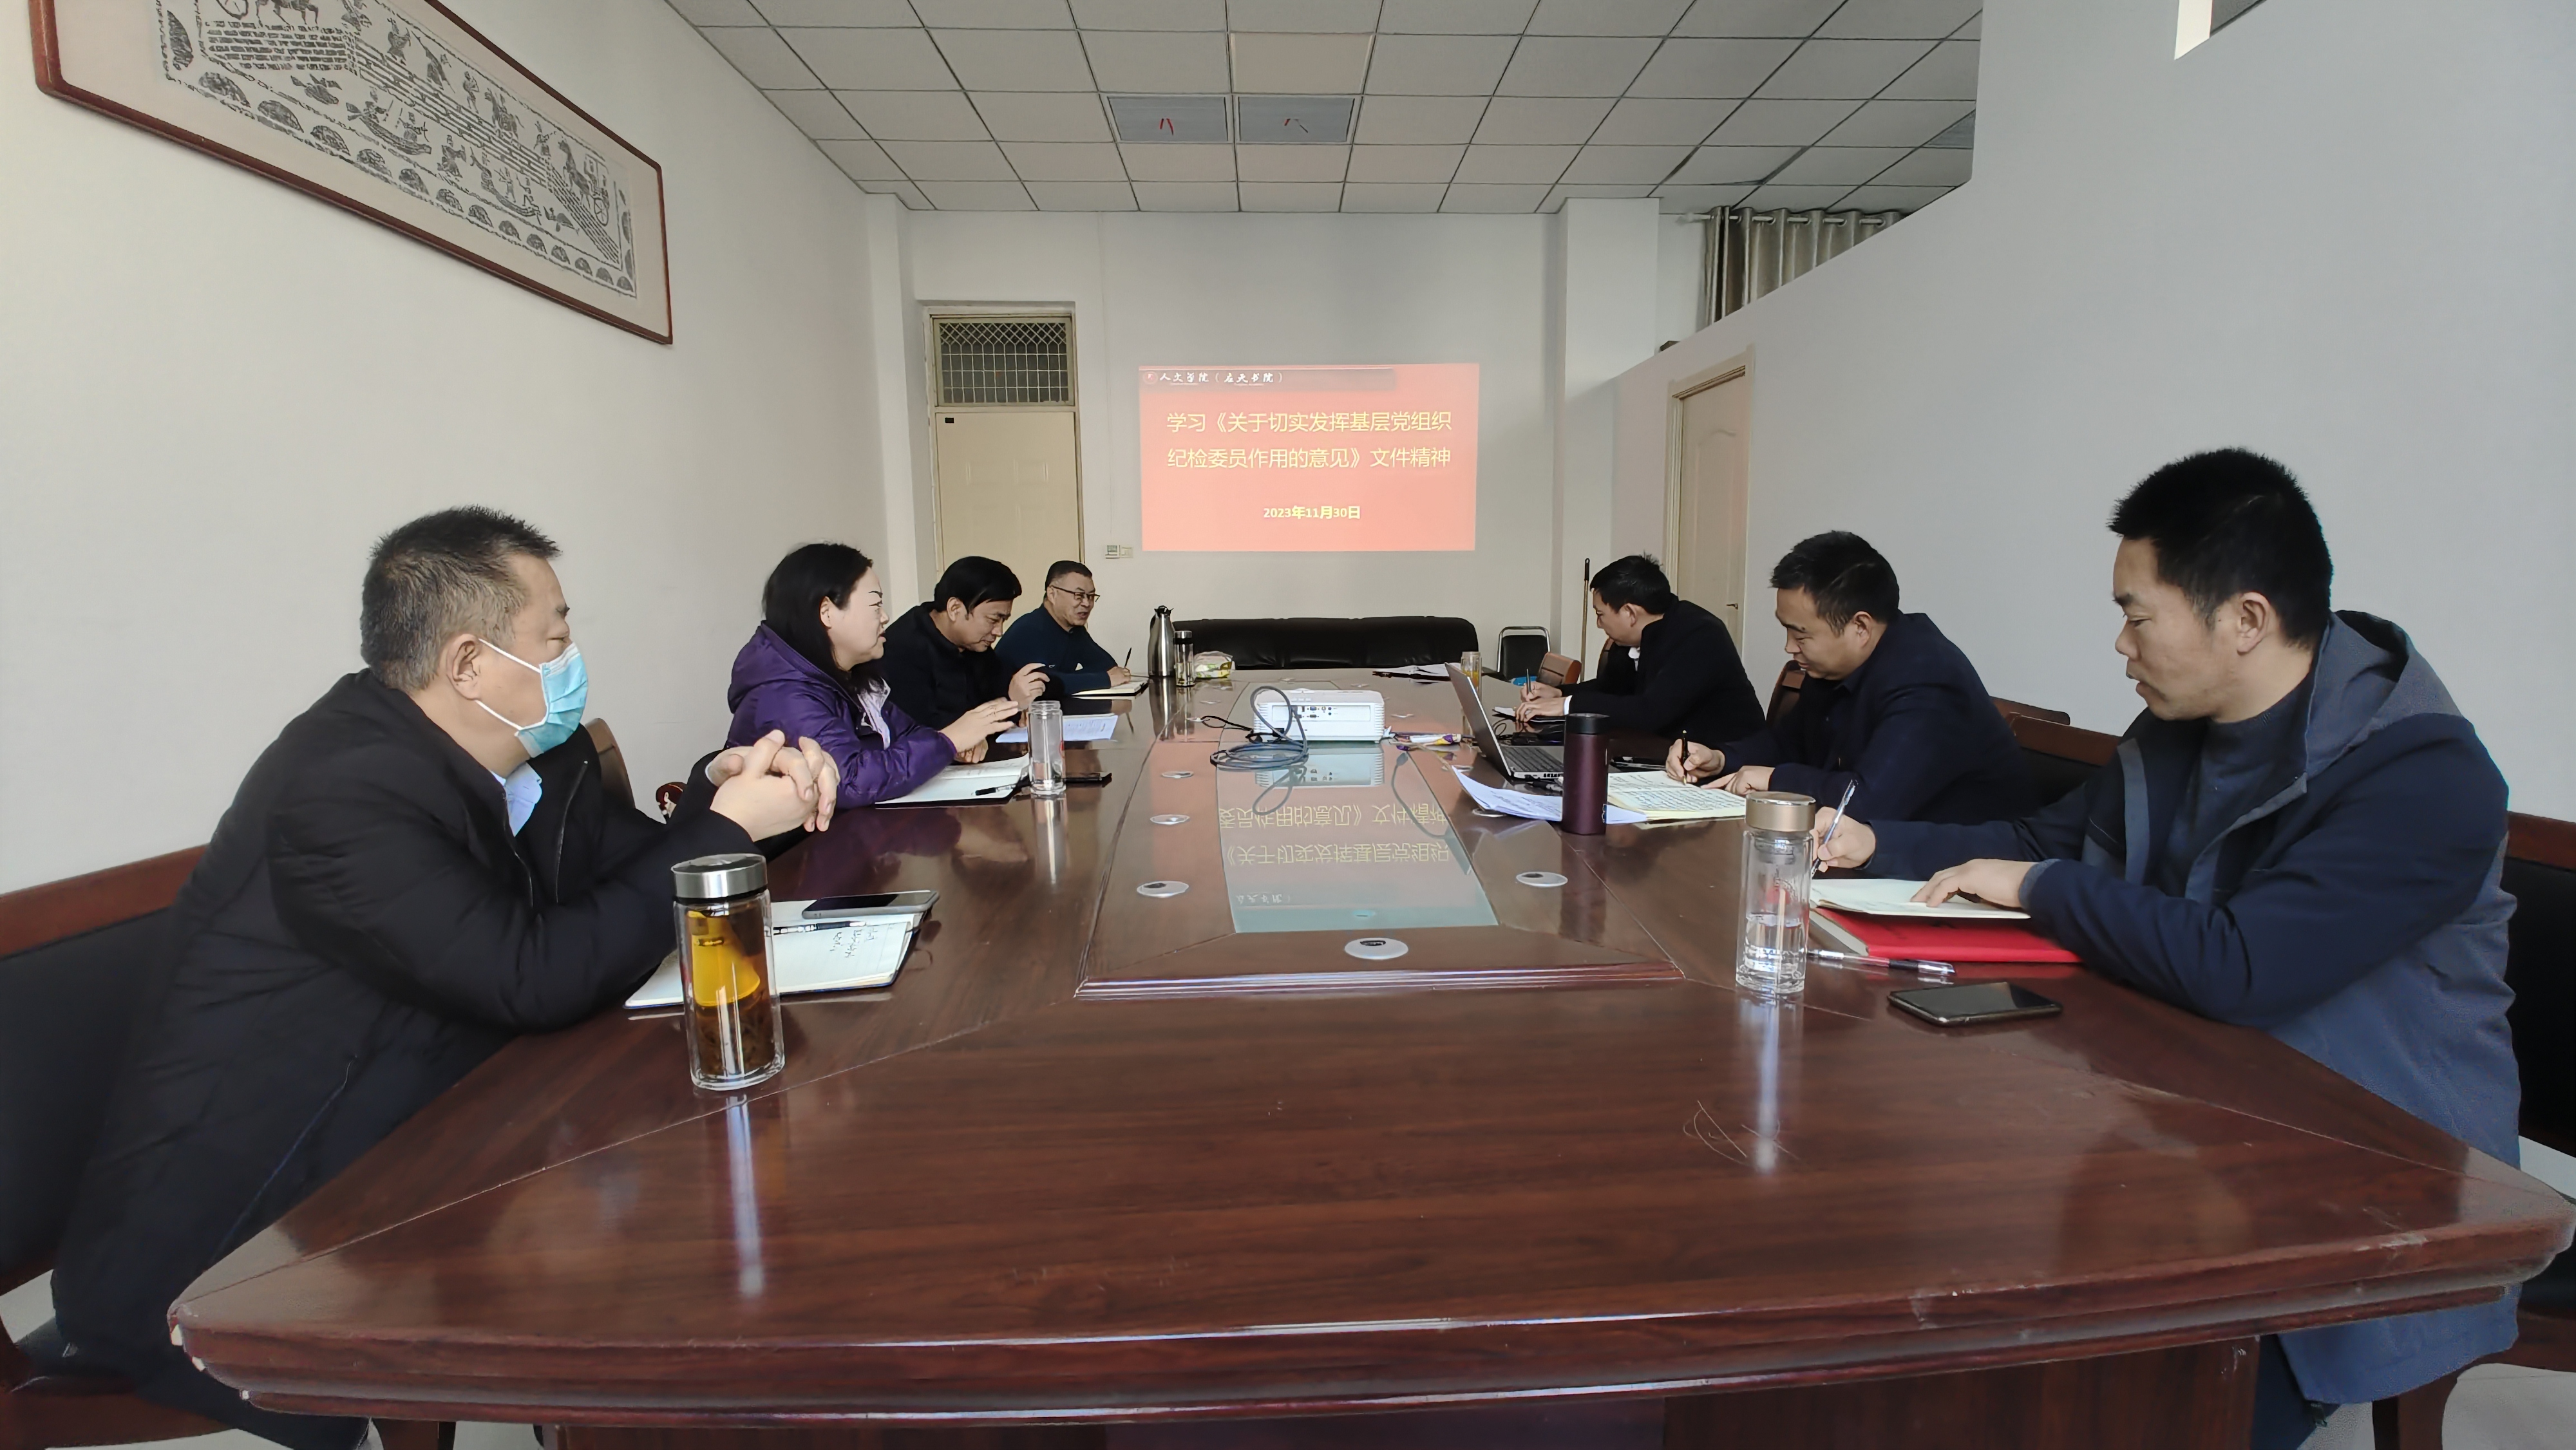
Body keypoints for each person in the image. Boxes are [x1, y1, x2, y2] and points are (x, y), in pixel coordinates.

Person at [51, 508, 838, 1450]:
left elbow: (634, 876)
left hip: (420, 1145)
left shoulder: (526, 754)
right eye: (555, 637)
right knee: (677, 1265)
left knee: (711, 1210)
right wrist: (724, 829)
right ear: (468, 663)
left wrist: (730, 794)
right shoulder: (340, 787)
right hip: (236, 1241)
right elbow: (533, 976)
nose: (572, 658)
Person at [1808, 451, 2519, 1447]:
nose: (2120, 643)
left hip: (2364, 1181)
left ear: (2246, 620)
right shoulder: (2179, 729)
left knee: (2116, 1397)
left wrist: (2042, 888)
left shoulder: (2425, 776)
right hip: (2179, 1121)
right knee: (1927, 1276)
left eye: (2137, 616)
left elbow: (2243, 968)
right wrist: (1876, 845)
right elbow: (2043, 843)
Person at [1664, 531, 2036, 824]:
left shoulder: (1927, 678)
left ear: (1860, 627)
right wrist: (1720, 758)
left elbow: (1870, 801)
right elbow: (1788, 743)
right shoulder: (1836, 667)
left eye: (1801, 635)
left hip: (1958, 872)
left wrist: (1776, 780)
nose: (1789, 647)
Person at [728, 543, 1023, 803]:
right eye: (876, 604)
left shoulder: (853, 677)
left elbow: (907, 732)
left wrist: (950, 746)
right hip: (799, 847)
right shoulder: (783, 694)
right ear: (827, 612)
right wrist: (949, 740)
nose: (885, 617)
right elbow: (850, 780)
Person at [1515, 554, 1763, 742]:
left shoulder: (1699, 635)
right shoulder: (1636, 637)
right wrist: (1559, 693)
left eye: (1601, 614)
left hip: (1728, 762)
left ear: (1630, 613)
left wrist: (1568, 706)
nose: (1599, 624)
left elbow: (1651, 712)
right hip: (1665, 751)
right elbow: (1611, 689)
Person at [880, 556, 1047, 742]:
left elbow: (1002, 685)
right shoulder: (903, 649)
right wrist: (1010, 704)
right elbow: (928, 735)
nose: (999, 631)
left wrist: (1022, 705)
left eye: (1003, 621)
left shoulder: (974, 644)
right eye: (993, 620)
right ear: (955, 609)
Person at [995, 560, 1130, 703]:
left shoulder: (1075, 630)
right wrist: (1103, 680)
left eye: (1091, 596)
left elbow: (1107, 666)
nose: (1087, 603)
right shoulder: (1028, 630)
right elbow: (1045, 685)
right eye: (1079, 596)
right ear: (1052, 594)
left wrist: (1065, 679)